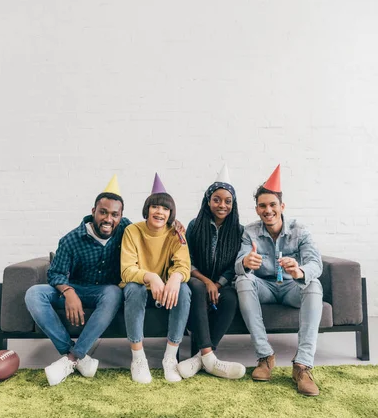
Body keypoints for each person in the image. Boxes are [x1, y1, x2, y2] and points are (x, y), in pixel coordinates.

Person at [25, 175, 130, 386]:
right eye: (103, 212)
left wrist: (175, 225)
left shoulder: (126, 230)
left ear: (120, 216)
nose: (108, 219)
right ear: (93, 212)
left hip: (105, 293)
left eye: (114, 214)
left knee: (113, 292)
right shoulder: (71, 240)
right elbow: (55, 274)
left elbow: (153, 232)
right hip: (76, 289)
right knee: (34, 293)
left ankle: (72, 358)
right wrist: (69, 292)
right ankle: (75, 355)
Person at [235, 165, 323, 396]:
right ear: (257, 209)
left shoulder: (300, 231)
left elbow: (316, 264)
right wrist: (246, 262)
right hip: (264, 287)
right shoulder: (250, 232)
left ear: (281, 207)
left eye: (272, 205)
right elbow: (238, 266)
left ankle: (302, 366)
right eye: (262, 206)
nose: (268, 210)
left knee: (314, 283)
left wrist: (299, 271)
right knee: (243, 281)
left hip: (292, 288)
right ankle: (265, 356)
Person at [121, 173, 191, 384]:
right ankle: (138, 358)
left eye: (165, 208)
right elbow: (126, 270)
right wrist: (151, 276)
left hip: (166, 293)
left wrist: (176, 277)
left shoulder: (176, 234)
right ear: (147, 209)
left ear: (170, 213)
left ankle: (170, 358)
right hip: (141, 288)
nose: (160, 211)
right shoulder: (132, 231)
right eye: (155, 207)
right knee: (134, 288)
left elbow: (183, 264)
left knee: (185, 289)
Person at [177, 164, 246, 380]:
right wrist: (207, 281)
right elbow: (188, 260)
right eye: (217, 199)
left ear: (233, 205)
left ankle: (201, 358)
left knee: (231, 299)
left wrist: (218, 284)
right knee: (197, 288)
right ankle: (208, 356)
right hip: (197, 280)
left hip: (222, 284)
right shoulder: (195, 226)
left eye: (227, 201)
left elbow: (235, 264)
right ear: (208, 201)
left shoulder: (238, 230)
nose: (222, 205)